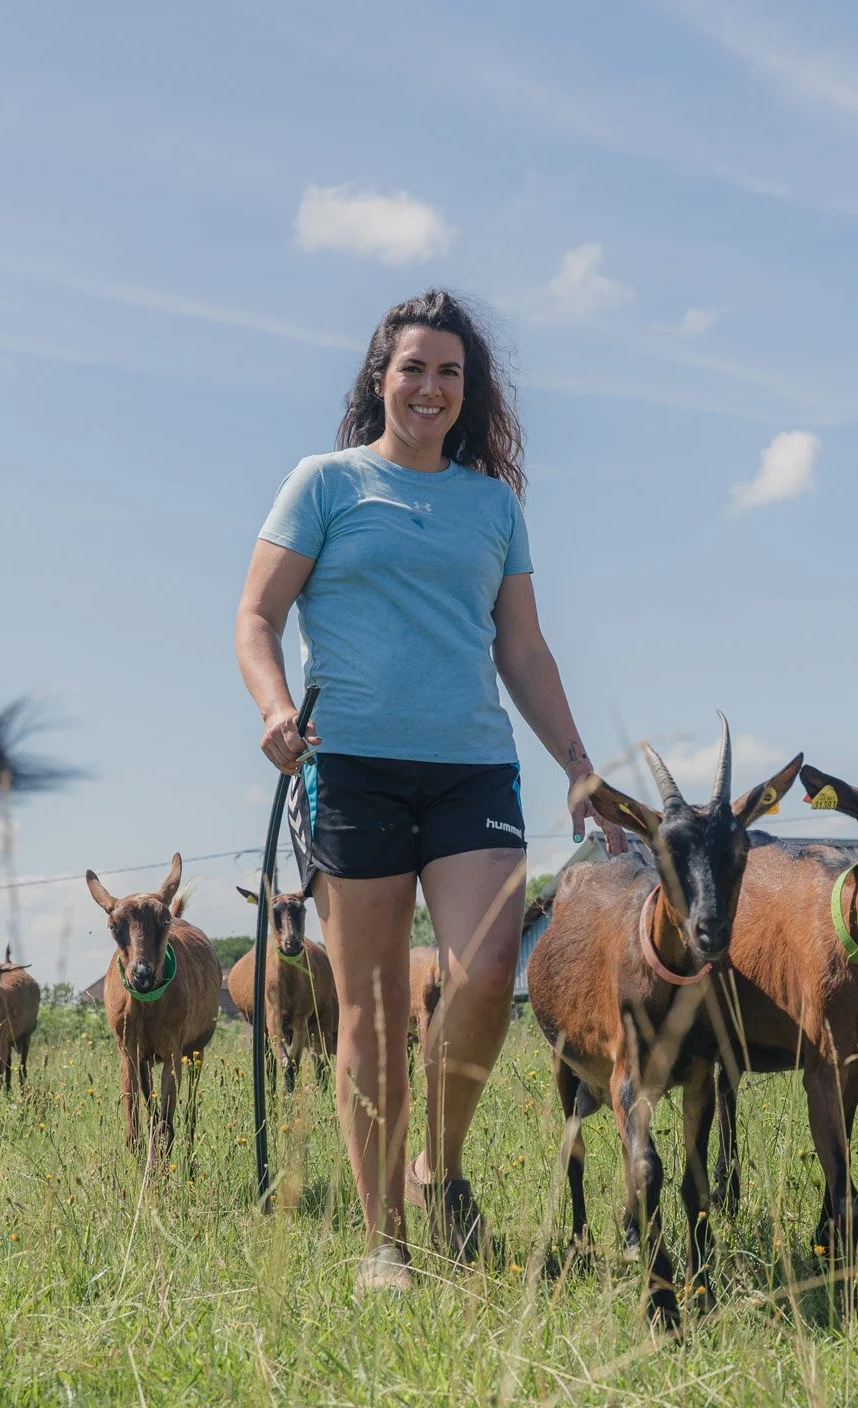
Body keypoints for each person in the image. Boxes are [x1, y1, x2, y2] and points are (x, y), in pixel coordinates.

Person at [234, 290, 622, 1293]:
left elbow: (522, 645)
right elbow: (254, 616)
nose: (431, 387)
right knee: (364, 1008)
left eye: (450, 371)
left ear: (467, 389)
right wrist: (275, 711)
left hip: (471, 764)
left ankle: (436, 1166)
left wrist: (577, 762)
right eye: (413, 368)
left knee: (491, 968)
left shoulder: (491, 506)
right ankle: (385, 1244)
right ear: (379, 379)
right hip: (349, 763)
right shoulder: (325, 483)